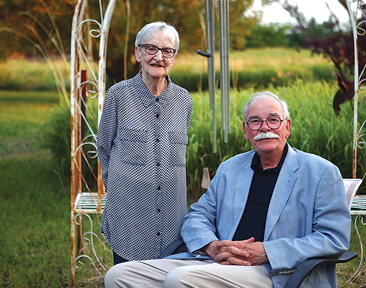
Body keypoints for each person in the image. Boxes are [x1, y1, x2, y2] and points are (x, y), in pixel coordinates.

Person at [104, 91, 351, 288]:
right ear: (246, 131)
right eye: (255, 121)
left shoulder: (321, 172)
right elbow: (197, 216)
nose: (265, 127)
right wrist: (212, 246)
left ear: (287, 127)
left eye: (273, 120)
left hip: (274, 271)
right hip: (216, 261)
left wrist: (267, 251)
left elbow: (333, 239)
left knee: (180, 280)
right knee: (119, 275)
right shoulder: (230, 169)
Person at [97, 21, 193, 265]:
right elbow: (104, 148)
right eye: (151, 49)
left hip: (172, 219)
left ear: (173, 58)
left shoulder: (185, 101)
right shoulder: (118, 95)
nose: (158, 57)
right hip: (129, 217)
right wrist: (119, 190)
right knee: (127, 279)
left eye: (167, 51)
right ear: (138, 53)